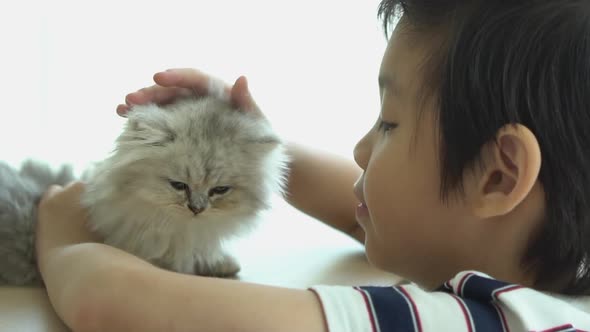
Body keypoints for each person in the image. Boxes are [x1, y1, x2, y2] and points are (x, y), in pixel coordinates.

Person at [36, 0, 590, 331]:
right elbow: (363, 213)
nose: (360, 149)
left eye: (389, 124)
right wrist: (250, 147)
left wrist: (62, 237)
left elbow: (110, 303)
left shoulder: (475, 322)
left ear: (497, 176)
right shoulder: (558, 272)